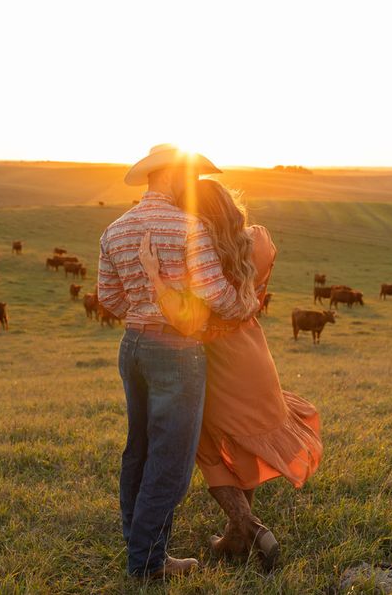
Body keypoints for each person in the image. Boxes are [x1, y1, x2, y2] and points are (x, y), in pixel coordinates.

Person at [139, 178, 323, 570]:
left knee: (211, 449)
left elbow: (188, 317)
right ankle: (234, 538)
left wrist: (157, 279)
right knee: (245, 444)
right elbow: (261, 282)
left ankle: (251, 527)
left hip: (213, 359)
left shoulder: (196, 255)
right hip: (253, 352)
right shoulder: (258, 241)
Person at [97, 145, 258, 580]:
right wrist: (247, 303)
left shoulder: (114, 229)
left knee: (139, 451)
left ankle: (142, 549)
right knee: (170, 462)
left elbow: (110, 299)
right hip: (176, 352)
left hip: (132, 347)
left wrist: (144, 299)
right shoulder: (190, 229)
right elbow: (217, 295)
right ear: (171, 177)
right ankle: (147, 564)